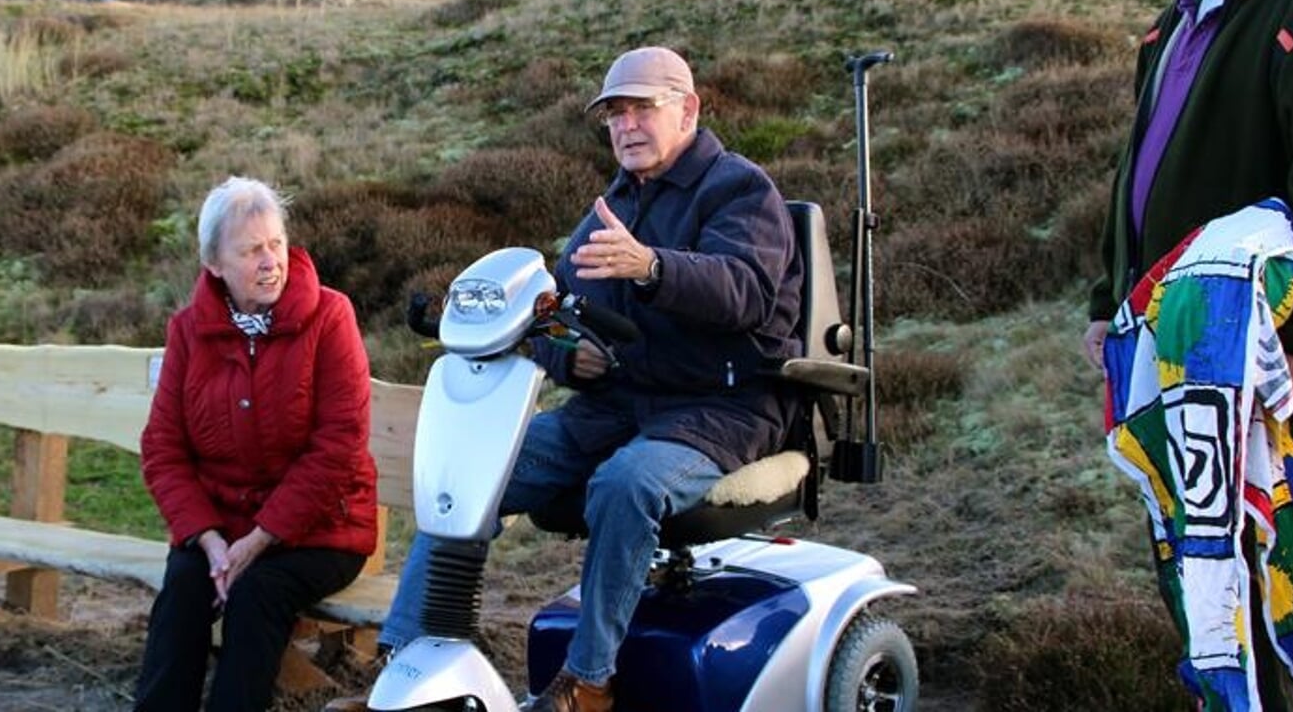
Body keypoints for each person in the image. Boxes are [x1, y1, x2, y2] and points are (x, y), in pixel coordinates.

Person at [326, 46, 804, 712]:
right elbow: (552, 311)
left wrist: (652, 267)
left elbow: (747, 293)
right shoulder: (613, 204)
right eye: (614, 114)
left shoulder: (739, 189)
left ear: (688, 109)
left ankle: (588, 680)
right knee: (468, 471)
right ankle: (406, 664)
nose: (626, 125)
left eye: (643, 108)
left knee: (624, 481)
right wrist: (565, 356)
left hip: (718, 408)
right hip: (614, 405)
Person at [1083, 0, 1293, 709]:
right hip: (1174, 356)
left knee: (1287, 583)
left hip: (1272, 371)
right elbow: (1138, 179)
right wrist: (1106, 303)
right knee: (1202, 579)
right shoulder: (1175, 22)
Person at [133, 176, 379, 712]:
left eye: (276, 245)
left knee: (256, 594)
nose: (270, 262)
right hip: (222, 529)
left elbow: (341, 444)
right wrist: (208, 540)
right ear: (215, 264)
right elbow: (163, 447)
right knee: (183, 587)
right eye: (250, 250)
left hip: (322, 529)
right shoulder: (187, 332)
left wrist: (261, 538)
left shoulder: (330, 317)